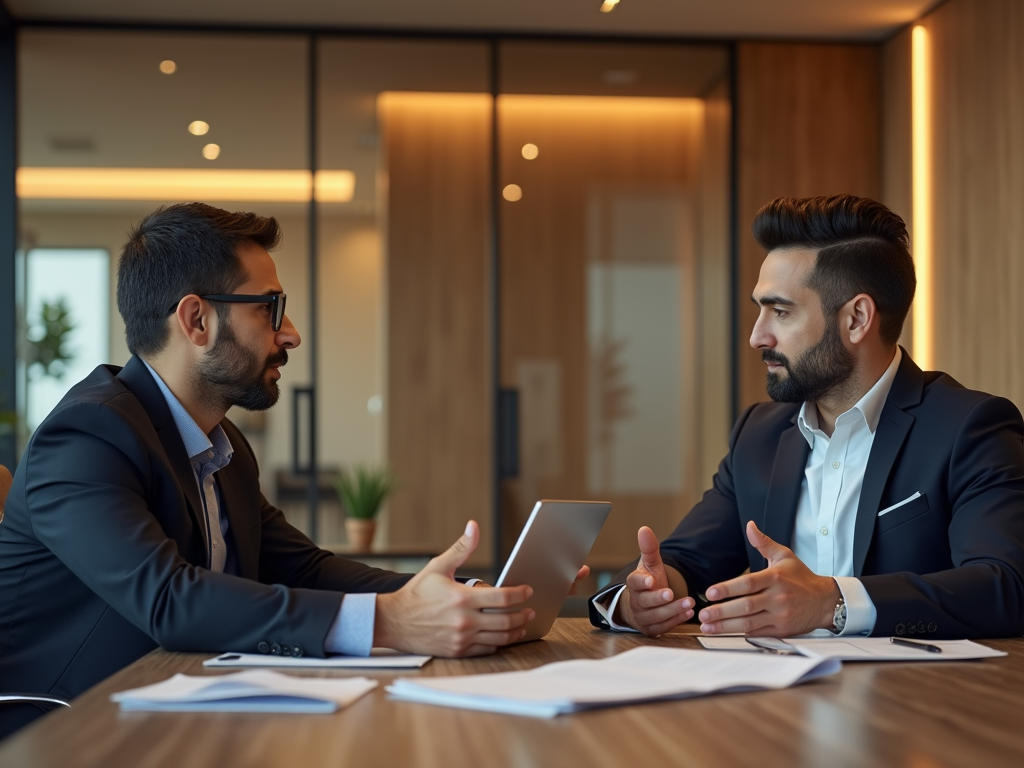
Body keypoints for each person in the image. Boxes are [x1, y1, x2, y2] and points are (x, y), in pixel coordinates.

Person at [0, 203, 544, 738]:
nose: (291, 335)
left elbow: (302, 569)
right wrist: (391, 620)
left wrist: (476, 598)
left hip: (183, 718)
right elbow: (168, 599)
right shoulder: (87, 437)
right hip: (67, 732)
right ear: (197, 320)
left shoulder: (220, 444)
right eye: (269, 308)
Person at [590, 194, 1024, 641]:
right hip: (776, 700)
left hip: (919, 701)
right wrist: (641, 597)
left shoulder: (970, 426)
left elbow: (1006, 586)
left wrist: (831, 602)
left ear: (857, 318)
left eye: (781, 311)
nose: (758, 335)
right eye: (761, 309)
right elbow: (685, 562)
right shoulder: (758, 434)